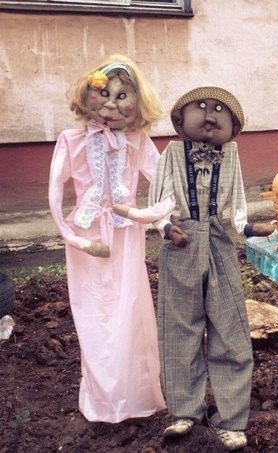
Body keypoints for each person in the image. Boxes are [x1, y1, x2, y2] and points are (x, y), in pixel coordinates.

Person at [146, 85, 274, 450]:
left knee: (229, 325)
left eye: (220, 111)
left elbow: (237, 202)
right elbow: (158, 200)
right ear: (180, 119)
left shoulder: (231, 154)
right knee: (179, 325)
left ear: (233, 128)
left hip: (218, 240)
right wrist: (165, 227)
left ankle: (231, 418)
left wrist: (247, 227)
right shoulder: (172, 152)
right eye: (201, 107)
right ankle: (184, 410)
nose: (209, 115)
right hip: (181, 242)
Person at [48, 54, 167, 422]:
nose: (112, 104)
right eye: (104, 93)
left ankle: (135, 396)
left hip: (126, 235)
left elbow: (166, 185)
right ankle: (102, 398)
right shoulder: (71, 141)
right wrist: (78, 241)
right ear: (88, 94)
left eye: (122, 96)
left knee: (130, 308)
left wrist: (147, 216)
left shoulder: (138, 142)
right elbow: (55, 196)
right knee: (92, 313)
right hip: (86, 237)